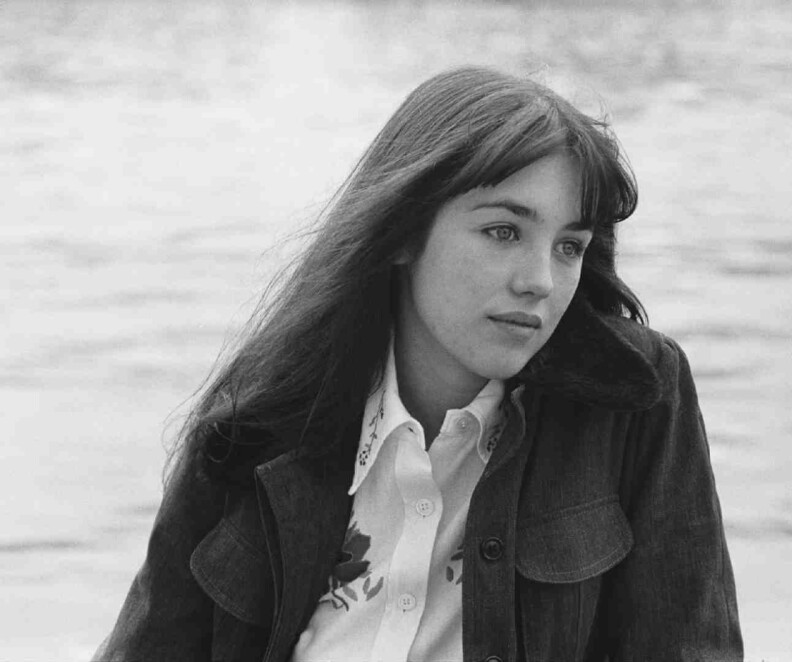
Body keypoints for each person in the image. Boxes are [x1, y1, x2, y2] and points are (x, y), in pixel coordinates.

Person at [94, 66, 742, 662]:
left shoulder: (634, 400)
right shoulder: (262, 415)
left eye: (570, 245)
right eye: (503, 232)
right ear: (403, 230)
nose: (541, 280)